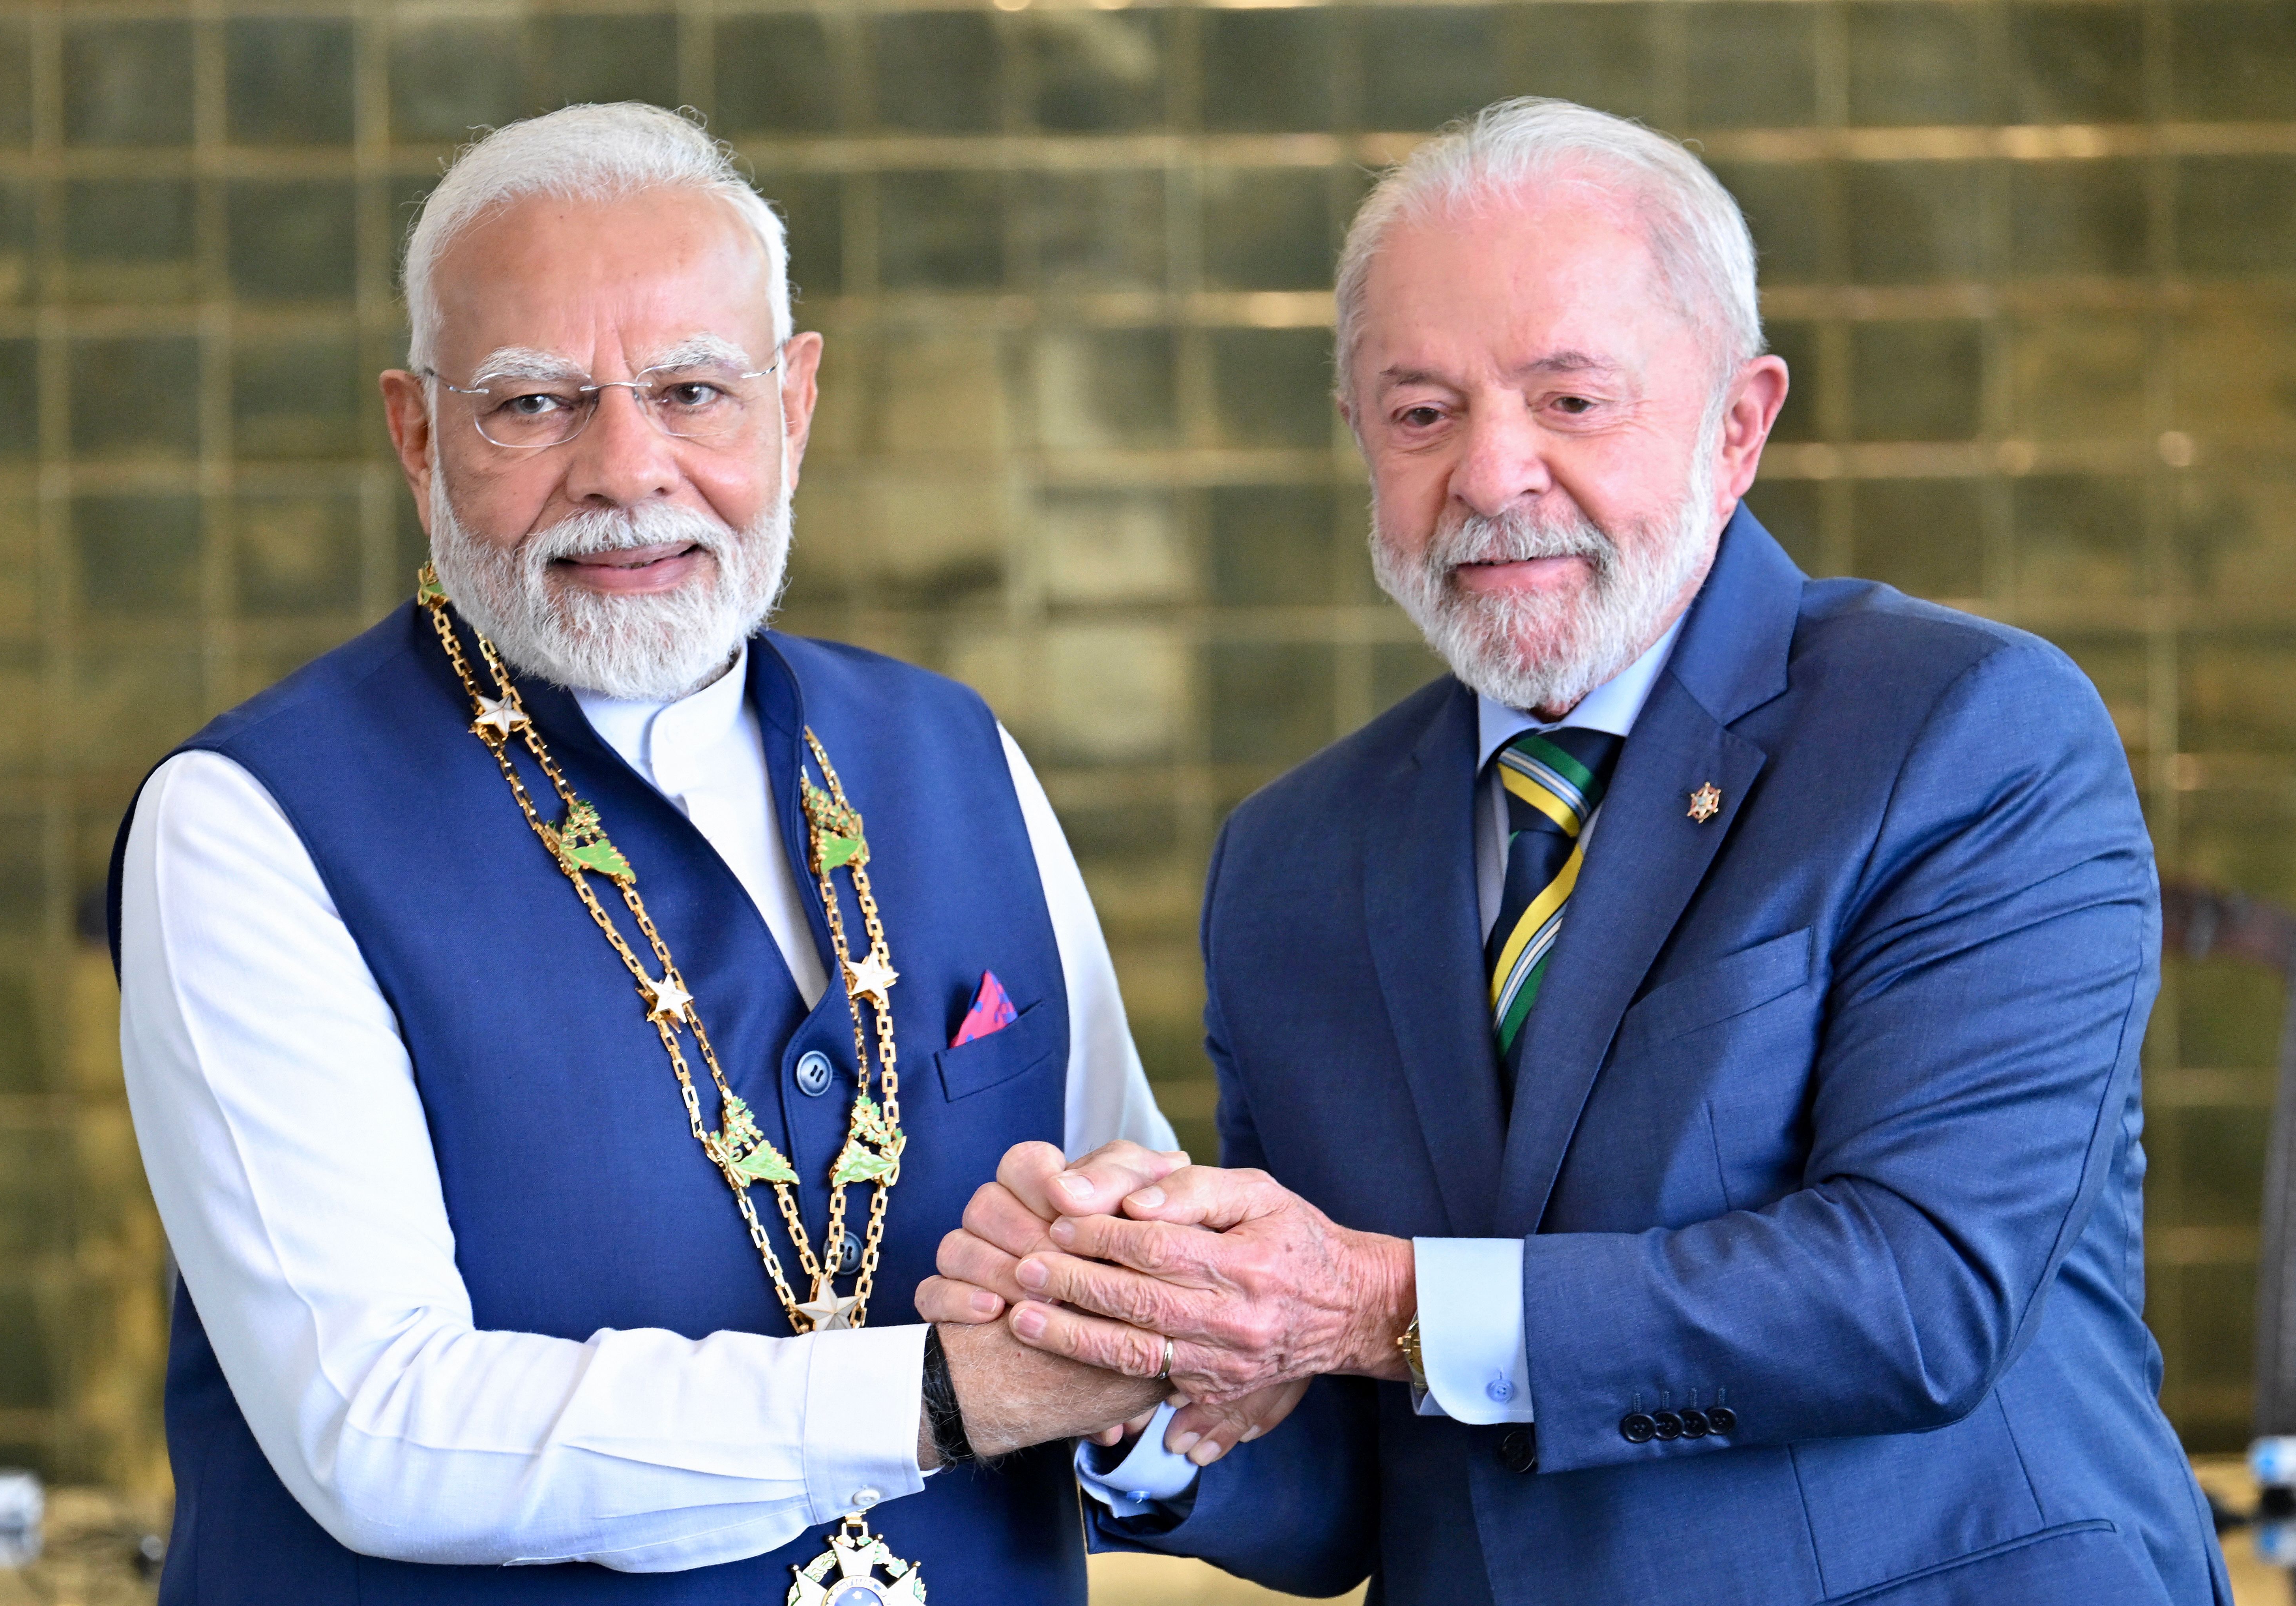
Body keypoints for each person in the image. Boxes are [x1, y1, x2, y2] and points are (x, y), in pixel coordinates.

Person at [920, 98, 2231, 1604]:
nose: (1490, 476)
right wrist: (1150, 1376)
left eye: (1570, 401)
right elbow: (1359, 1490)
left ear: (1738, 427)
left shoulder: (1966, 732)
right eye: (1421, 413)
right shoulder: (1291, 860)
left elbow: (1919, 1299)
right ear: (1361, 440)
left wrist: (1373, 1301)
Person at [109, 102, 1187, 1602]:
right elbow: (381, 1426)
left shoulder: (957, 754)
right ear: (416, 433)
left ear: (795, 406)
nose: (628, 469)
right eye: (534, 403)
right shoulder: (247, 823)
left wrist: (1163, 1384)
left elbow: (1129, 1251)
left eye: (693, 389)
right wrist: (938, 1398)